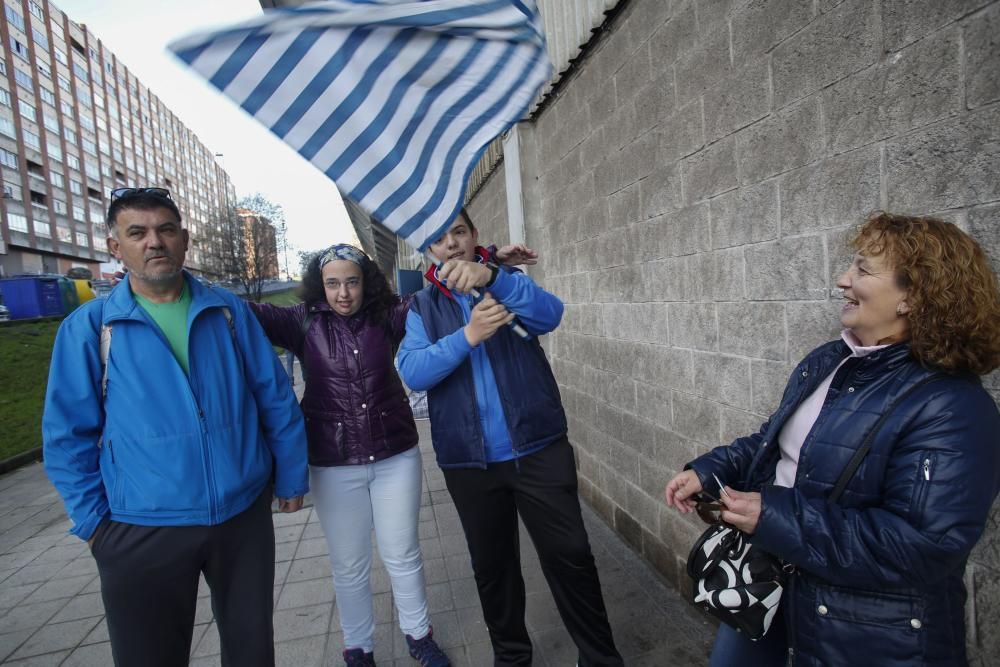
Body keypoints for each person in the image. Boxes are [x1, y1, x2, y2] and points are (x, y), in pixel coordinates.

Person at [664, 212, 1000, 666]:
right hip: (770, 585)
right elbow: (776, 442)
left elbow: (921, 545)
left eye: (862, 269)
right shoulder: (830, 360)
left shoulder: (952, 406)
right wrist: (710, 469)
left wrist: (774, 515)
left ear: (912, 296)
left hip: (860, 630)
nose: (843, 280)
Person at [42, 187, 309, 667]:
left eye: (166, 230)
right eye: (137, 232)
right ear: (114, 247)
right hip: (140, 527)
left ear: (184, 239)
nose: (154, 242)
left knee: (252, 653)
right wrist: (95, 526)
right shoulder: (92, 327)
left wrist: (290, 475)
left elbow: (274, 396)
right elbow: (66, 436)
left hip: (241, 518)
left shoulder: (228, 311)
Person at [249, 238, 535, 667]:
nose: (343, 293)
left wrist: (487, 260)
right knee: (349, 563)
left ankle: (419, 636)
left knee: (403, 554)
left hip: (394, 454)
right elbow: (242, 312)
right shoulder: (300, 321)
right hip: (333, 460)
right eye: (332, 284)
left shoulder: (390, 314)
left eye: (352, 282)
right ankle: (358, 647)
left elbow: (440, 281)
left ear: (366, 283)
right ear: (319, 285)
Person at [396, 211, 624, 667]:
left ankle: (600, 659)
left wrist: (495, 276)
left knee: (572, 556)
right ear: (430, 253)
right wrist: (468, 336)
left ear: (474, 237)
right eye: (440, 240)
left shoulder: (506, 280)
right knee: (494, 569)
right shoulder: (423, 307)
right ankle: (513, 657)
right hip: (469, 462)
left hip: (537, 447)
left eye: (459, 232)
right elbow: (413, 371)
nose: (452, 244)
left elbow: (550, 315)